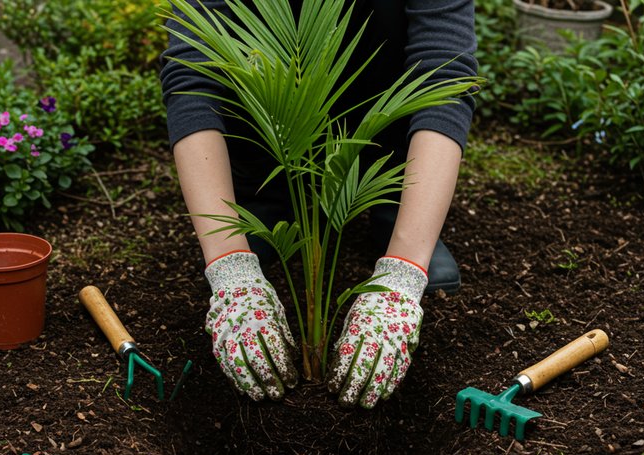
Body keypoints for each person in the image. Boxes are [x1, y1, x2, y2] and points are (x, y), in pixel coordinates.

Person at [161, 0, 477, 408]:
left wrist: (403, 275)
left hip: (380, 157)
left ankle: (398, 208)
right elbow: (192, 74)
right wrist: (229, 265)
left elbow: (444, 74)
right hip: (269, 144)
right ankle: (260, 202)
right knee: (253, 212)